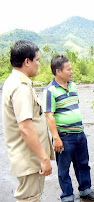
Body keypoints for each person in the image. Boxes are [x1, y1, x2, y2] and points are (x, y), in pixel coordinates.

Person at [2, 40, 54, 201]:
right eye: (37, 60)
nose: (39, 64)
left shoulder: (15, 81)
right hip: (29, 159)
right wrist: (44, 158)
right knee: (30, 198)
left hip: (28, 158)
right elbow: (25, 128)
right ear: (27, 61)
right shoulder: (21, 87)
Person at [43, 55, 94, 202]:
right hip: (64, 136)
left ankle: (85, 190)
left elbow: (74, 107)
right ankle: (67, 196)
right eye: (68, 69)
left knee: (83, 164)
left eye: (71, 69)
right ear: (58, 71)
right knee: (64, 169)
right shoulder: (50, 90)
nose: (71, 72)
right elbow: (49, 116)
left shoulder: (73, 86)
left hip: (80, 134)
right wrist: (56, 137)